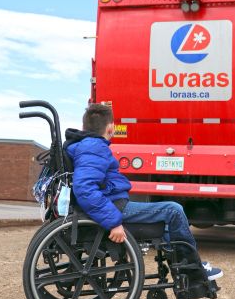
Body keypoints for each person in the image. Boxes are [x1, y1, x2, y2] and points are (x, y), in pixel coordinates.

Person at [65, 103, 223, 281]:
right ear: (110, 128)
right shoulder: (94, 147)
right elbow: (84, 189)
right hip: (115, 208)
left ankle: (186, 271)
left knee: (166, 223)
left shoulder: (88, 146)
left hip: (114, 204)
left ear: (85, 126)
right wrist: (113, 222)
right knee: (174, 210)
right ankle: (194, 271)